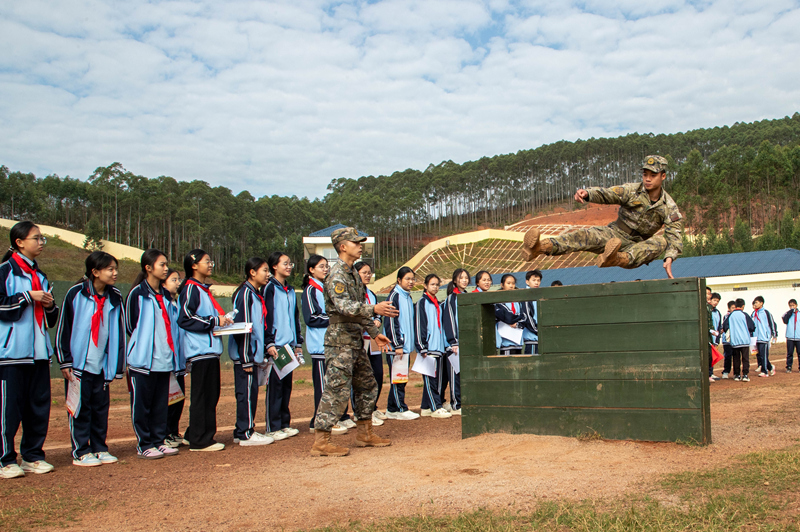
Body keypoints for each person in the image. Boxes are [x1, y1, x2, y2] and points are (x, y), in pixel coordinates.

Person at [310, 227, 398, 457]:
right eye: (356, 242)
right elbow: (344, 307)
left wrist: (373, 331)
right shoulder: (337, 274)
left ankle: (364, 433)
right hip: (340, 341)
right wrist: (374, 308)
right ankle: (321, 440)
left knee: (367, 384)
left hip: (354, 340)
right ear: (342, 246)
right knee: (336, 390)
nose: (360, 245)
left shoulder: (352, 274)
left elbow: (358, 312)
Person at [522, 155, 683, 279]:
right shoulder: (632, 190)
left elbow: (674, 235)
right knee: (585, 235)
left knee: (662, 241)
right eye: (645, 174)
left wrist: (669, 257)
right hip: (614, 234)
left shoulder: (669, 207)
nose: (647, 179)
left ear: (663, 176)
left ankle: (616, 258)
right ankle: (538, 248)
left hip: (637, 246)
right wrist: (588, 194)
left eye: (653, 175)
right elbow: (609, 194)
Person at [0, 222, 59, 478]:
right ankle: (5, 459)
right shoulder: (5, 271)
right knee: (8, 409)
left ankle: (33, 456)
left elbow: (52, 319)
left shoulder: (41, 275)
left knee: (37, 406)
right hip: (11, 353)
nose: (41, 242)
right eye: (36, 238)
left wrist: (48, 305)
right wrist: (27, 296)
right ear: (19, 242)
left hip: (38, 353)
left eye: (42, 238)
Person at [56, 251, 125, 467]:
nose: (115, 273)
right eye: (110, 269)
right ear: (95, 272)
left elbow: (120, 332)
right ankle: (81, 450)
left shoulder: (115, 296)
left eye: (115, 269)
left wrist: (117, 364)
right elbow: (63, 328)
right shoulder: (75, 293)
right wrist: (65, 360)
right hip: (79, 364)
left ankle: (99, 447)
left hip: (101, 364)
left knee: (100, 408)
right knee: (80, 407)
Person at [126, 249, 182, 459]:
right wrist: (143, 348)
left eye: (166, 264)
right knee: (143, 404)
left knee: (160, 404)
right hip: (143, 361)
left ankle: (159, 440)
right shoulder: (137, 294)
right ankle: (144, 443)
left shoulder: (167, 295)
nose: (166, 268)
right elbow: (131, 326)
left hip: (164, 360)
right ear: (148, 268)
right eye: (162, 265)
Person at [178, 249, 233, 452]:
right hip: (199, 350)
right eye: (206, 261)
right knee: (203, 396)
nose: (210, 264)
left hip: (209, 350)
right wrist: (213, 321)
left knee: (211, 394)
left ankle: (194, 433)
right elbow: (184, 318)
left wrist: (221, 321)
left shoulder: (202, 289)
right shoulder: (191, 288)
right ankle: (200, 440)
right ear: (194, 265)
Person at [228, 257, 274, 447]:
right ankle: (246, 433)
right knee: (246, 394)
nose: (268, 274)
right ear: (252, 272)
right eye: (264, 270)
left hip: (252, 354)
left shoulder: (255, 294)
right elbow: (243, 328)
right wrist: (246, 358)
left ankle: (242, 431)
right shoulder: (245, 294)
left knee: (251, 392)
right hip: (244, 356)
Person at [302, 255, 350, 435]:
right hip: (320, 347)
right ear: (311, 270)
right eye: (321, 266)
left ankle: (328, 419)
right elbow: (311, 318)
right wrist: (335, 318)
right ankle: (321, 421)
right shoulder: (310, 290)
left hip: (332, 345)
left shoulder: (326, 288)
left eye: (327, 266)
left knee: (333, 385)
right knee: (323, 387)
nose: (325, 269)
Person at [264, 252, 304, 440]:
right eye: (285, 263)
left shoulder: (290, 290)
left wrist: (297, 344)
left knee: (286, 386)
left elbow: (295, 318)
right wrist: (269, 341)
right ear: (274, 266)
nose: (289, 266)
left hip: (288, 345)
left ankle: (284, 423)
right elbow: (267, 316)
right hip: (276, 346)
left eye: (290, 263)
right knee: (276, 387)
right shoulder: (269, 288)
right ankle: (273, 426)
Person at [384, 267, 419, 420]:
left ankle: (391, 409)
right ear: (399, 280)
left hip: (404, 347)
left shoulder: (408, 297)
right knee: (398, 378)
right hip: (397, 347)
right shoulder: (395, 296)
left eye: (413, 279)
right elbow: (391, 322)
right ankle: (400, 409)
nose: (411, 282)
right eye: (407, 279)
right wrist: (397, 344)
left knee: (401, 378)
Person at [415, 274, 451, 419]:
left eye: (437, 284)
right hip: (428, 348)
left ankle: (425, 407)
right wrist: (422, 346)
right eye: (432, 284)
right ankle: (436, 407)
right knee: (431, 379)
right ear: (425, 286)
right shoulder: (421, 303)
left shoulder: (438, 304)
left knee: (438, 379)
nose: (435, 287)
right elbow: (420, 326)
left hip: (439, 348)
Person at [354, 261, 386, 426]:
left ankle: (372, 407)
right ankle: (360, 411)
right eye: (363, 272)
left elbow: (378, 313)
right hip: (359, 340)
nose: (367, 275)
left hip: (373, 339)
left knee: (377, 374)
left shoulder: (371, 294)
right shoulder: (353, 294)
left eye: (369, 273)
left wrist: (377, 320)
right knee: (361, 377)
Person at [162, 268, 187, 449]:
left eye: (178, 280)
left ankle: (173, 431)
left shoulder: (177, 304)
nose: (178, 283)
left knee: (178, 399)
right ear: (163, 283)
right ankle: (163, 433)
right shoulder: (162, 303)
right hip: (166, 362)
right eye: (173, 280)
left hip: (179, 362)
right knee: (166, 400)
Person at [442, 268, 470, 415]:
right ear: (455, 281)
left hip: (466, 343)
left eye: (466, 277)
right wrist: (453, 342)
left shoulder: (467, 297)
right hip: (454, 346)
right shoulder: (451, 298)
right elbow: (450, 320)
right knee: (455, 376)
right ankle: (455, 404)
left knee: (464, 375)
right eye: (461, 278)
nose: (464, 280)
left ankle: (463, 402)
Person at [722, 298, 756, 382]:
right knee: (745, 358)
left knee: (736, 358)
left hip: (735, 341)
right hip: (744, 341)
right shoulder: (744, 315)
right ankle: (745, 374)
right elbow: (752, 327)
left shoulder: (731, 315)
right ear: (743, 306)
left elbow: (725, 326)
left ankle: (736, 375)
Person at [495, 274, 525, 356]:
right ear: (502, 285)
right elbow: (508, 317)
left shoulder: (517, 301)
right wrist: (516, 318)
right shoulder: (499, 300)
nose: (511, 286)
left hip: (518, 341)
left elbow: (524, 316)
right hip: (506, 342)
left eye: (513, 283)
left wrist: (517, 323)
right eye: (508, 283)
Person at [751, 296, 778, 378]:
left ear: (761, 303)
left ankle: (765, 371)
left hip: (764, 337)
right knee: (759, 355)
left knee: (763, 355)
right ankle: (770, 367)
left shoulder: (766, 312)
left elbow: (772, 323)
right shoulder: (753, 313)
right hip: (756, 338)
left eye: (757, 302)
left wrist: (774, 334)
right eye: (754, 303)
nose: (755, 304)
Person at [522, 270, 542, 355]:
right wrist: (538, 331)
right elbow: (527, 317)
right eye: (534, 280)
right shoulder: (526, 296)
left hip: (539, 338)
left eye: (538, 280)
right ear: (527, 282)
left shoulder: (539, 295)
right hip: (532, 338)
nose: (536, 283)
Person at [720, 301, 736, 379]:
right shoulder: (726, 316)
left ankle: (736, 373)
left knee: (736, 356)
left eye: (735, 308)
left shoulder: (738, 316)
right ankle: (726, 371)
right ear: (729, 309)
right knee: (728, 356)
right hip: (727, 340)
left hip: (736, 340)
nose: (734, 309)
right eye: (732, 308)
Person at [783, 299, 799, 373]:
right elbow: (785, 321)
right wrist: (790, 313)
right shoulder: (787, 314)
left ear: (796, 305)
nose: (792, 307)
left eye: (793, 305)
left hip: (799, 337)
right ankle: (789, 366)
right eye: (791, 306)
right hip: (790, 337)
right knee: (789, 353)